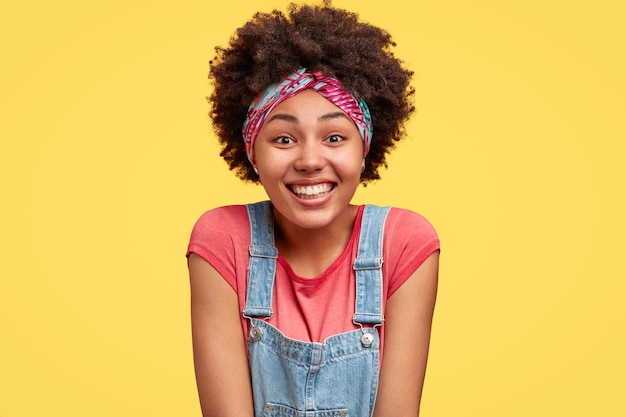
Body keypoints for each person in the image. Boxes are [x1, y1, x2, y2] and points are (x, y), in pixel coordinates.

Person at [187, 3, 440, 416]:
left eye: (335, 137)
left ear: (365, 151)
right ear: (253, 154)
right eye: (284, 139)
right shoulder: (222, 239)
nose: (309, 160)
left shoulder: (404, 242)